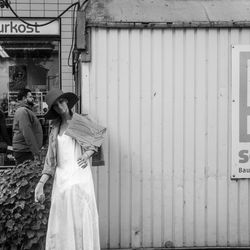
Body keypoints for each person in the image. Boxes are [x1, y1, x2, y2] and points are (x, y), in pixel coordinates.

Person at [34, 88, 106, 250]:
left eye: (61, 101)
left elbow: (97, 139)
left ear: (66, 101)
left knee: (81, 218)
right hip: (62, 179)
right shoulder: (55, 128)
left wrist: (87, 154)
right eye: (56, 105)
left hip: (80, 177)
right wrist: (41, 183)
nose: (60, 106)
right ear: (53, 110)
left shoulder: (78, 121)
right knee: (62, 220)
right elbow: (50, 161)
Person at [12, 88, 43, 165]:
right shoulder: (22, 111)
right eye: (30, 97)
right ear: (24, 99)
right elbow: (27, 132)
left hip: (26, 150)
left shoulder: (25, 110)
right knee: (26, 176)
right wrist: (36, 152)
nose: (33, 99)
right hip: (24, 152)